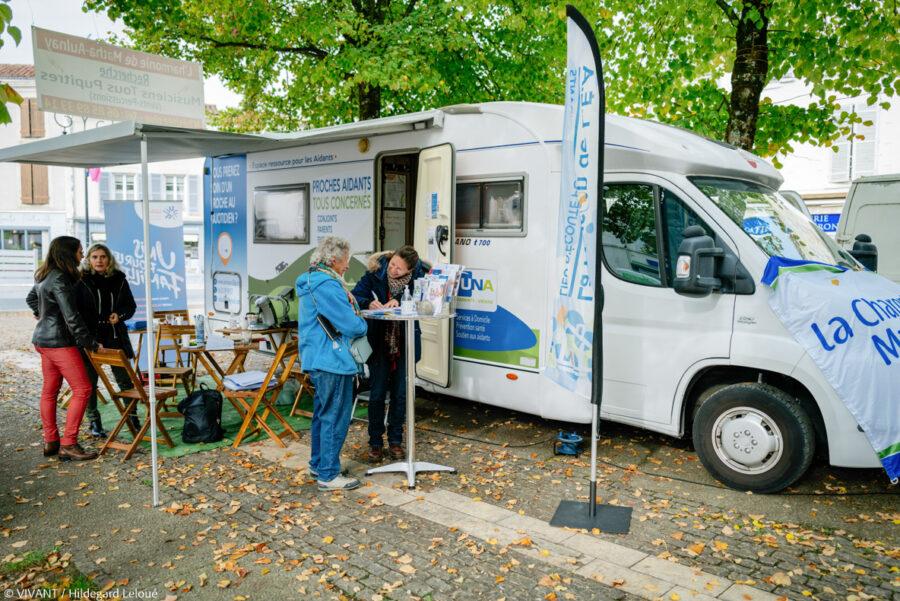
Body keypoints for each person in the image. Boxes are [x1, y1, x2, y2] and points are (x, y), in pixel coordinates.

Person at [296, 236, 368, 491]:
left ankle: (319, 464)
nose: (347, 266)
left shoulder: (310, 280)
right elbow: (350, 324)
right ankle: (328, 474)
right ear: (335, 260)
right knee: (335, 417)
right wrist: (363, 323)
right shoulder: (327, 285)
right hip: (333, 359)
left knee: (322, 414)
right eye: (346, 260)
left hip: (317, 356)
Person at [25, 236, 100, 461]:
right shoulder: (59, 277)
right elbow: (71, 316)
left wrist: (44, 314)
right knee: (83, 388)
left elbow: (31, 298)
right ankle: (68, 443)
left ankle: (51, 442)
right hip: (59, 342)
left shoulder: (45, 273)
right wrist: (90, 343)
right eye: (79, 251)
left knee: (50, 391)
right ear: (68, 253)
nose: (83, 255)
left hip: (43, 341)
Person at [351, 246, 428, 462]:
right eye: (393, 264)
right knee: (376, 394)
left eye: (399, 269)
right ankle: (375, 442)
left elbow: (426, 303)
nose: (393, 270)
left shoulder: (419, 280)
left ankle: (395, 441)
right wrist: (369, 302)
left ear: (410, 270)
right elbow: (356, 296)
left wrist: (404, 302)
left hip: (405, 344)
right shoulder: (374, 273)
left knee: (401, 394)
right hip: (379, 343)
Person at [79, 243, 138, 438]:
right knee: (90, 383)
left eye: (103, 256)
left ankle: (133, 418)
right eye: (95, 257)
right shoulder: (81, 279)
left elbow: (130, 306)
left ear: (109, 259)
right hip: (91, 338)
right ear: (88, 259)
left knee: (125, 381)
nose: (99, 260)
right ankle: (94, 422)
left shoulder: (119, 279)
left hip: (114, 336)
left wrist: (119, 315)